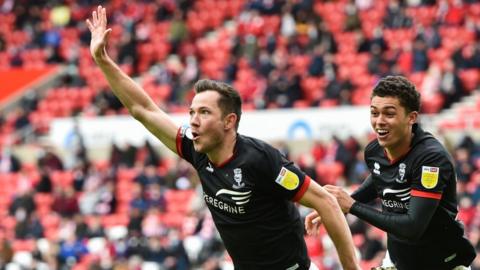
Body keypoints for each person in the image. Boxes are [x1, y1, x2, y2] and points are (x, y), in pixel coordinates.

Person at [86, 6, 360, 270]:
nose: (193, 120)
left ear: (229, 121)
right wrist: (103, 60)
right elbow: (143, 110)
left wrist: (351, 268)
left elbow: (326, 202)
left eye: (204, 112)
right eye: (191, 111)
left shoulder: (260, 159)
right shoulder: (196, 149)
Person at [305, 76, 477, 270]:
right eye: (374, 113)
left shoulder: (431, 159)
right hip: (398, 262)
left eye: (389, 114)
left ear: (411, 117)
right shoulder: (375, 151)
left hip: (442, 264)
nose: (379, 121)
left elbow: (412, 228)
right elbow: (380, 179)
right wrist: (338, 204)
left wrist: (352, 205)